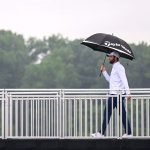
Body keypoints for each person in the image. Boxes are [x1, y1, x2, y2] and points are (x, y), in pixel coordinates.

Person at [91, 51, 132, 137]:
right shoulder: (115, 67)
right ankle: (129, 133)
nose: (109, 58)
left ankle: (101, 133)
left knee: (107, 113)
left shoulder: (119, 67)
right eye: (109, 56)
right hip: (115, 95)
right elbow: (111, 81)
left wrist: (128, 93)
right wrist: (104, 71)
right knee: (121, 114)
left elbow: (124, 80)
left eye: (110, 56)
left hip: (116, 95)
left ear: (116, 58)